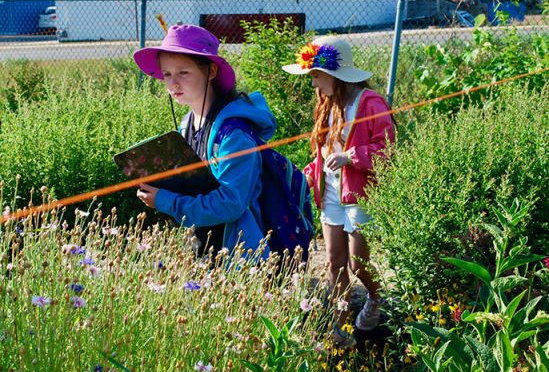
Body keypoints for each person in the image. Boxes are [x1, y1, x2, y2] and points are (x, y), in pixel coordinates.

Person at [282, 36, 395, 346]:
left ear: (336, 73)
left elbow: (388, 150)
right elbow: (324, 150)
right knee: (334, 261)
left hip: (361, 192)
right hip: (331, 193)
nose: (313, 81)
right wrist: (309, 173)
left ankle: (375, 297)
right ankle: (341, 325)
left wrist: (351, 157)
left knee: (358, 263)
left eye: (316, 74)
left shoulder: (369, 102)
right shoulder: (327, 104)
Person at [133, 24, 276, 259]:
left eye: (183, 72)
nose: (173, 83)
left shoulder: (233, 136)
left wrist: (166, 201)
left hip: (239, 256)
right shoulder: (187, 124)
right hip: (204, 247)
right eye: (167, 74)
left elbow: (230, 204)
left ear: (210, 71)